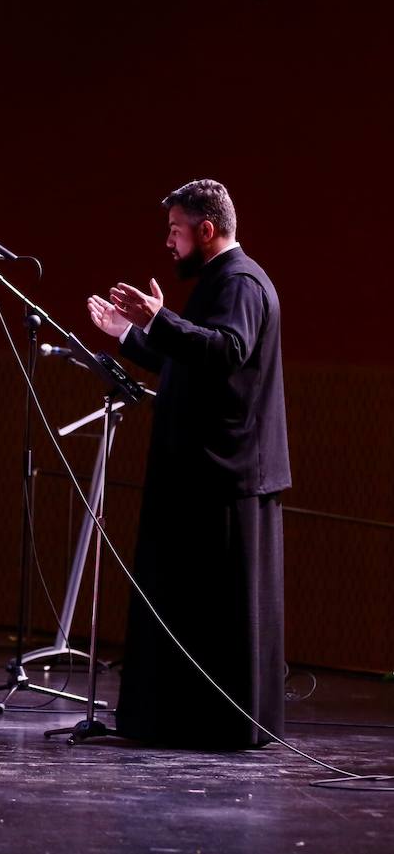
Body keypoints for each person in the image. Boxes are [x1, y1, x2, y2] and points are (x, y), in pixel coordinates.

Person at [88, 177, 289, 749]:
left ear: (206, 230)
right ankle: (182, 718)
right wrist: (129, 332)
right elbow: (190, 360)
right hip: (205, 472)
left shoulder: (241, 282)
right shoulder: (217, 281)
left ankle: (216, 722)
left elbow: (225, 350)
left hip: (224, 474)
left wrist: (158, 319)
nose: (168, 243)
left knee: (215, 611)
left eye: (175, 231)